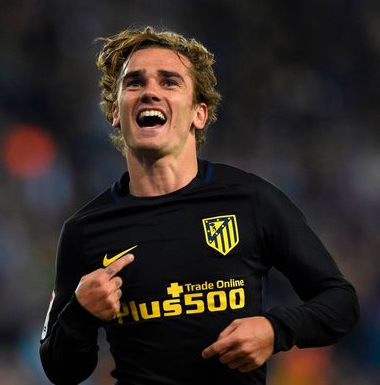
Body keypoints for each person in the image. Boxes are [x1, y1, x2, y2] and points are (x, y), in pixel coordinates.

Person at [39, 26, 359, 384]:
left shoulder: (251, 201)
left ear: (199, 114)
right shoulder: (85, 231)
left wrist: (274, 329)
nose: (149, 93)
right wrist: (81, 314)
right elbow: (60, 370)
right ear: (116, 112)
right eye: (134, 83)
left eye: (169, 82)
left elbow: (341, 303)